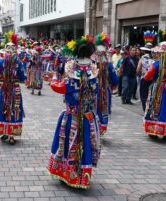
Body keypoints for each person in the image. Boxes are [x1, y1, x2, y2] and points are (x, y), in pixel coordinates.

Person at [48, 36, 100, 189]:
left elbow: (59, 87)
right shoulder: (93, 72)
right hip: (88, 116)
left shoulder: (71, 76)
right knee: (86, 144)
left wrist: (53, 79)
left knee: (67, 144)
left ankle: (68, 174)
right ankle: (82, 176)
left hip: (72, 116)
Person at [0, 34, 25, 145]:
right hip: (15, 89)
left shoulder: (1, 62)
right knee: (14, 109)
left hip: (4, 88)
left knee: (4, 108)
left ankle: (5, 132)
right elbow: (22, 78)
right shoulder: (19, 63)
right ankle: (11, 135)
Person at [143, 41, 166, 142]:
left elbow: (146, 77)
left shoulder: (156, 64)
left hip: (158, 88)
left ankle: (154, 132)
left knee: (154, 108)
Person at [94, 33, 119, 135]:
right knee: (103, 109)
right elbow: (115, 80)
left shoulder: (90, 64)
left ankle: (93, 128)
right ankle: (100, 129)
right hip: (104, 90)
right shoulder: (108, 64)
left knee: (93, 109)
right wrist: (111, 86)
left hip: (92, 91)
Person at [136, 44, 153, 111]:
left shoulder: (142, 59)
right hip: (152, 79)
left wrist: (141, 73)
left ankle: (145, 109)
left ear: (144, 51)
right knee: (151, 93)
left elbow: (137, 70)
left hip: (144, 78)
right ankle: (150, 108)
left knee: (143, 94)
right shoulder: (154, 58)